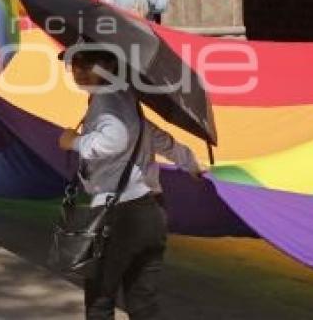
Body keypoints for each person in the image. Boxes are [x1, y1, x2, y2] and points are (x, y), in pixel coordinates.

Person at [57, 46, 205, 319]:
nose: (77, 69)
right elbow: (154, 135)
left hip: (118, 215)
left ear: (109, 66)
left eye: (86, 63)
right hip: (150, 211)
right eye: (73, 63)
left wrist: (74, 142)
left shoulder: (108, 102)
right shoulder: (125, 97)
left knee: (100, 300)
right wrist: (189, 162)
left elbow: (116, 138)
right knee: (143, 304)